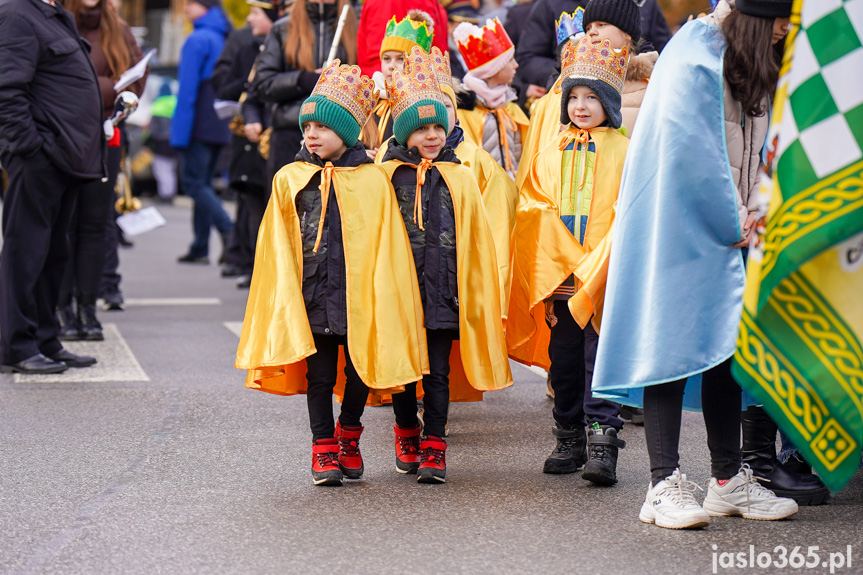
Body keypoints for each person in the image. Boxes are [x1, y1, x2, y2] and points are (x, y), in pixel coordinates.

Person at [591, 0, 799, 529]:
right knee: (671, 343)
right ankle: (662, 485)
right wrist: (740, 220)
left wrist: (758, 209)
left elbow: (759, 148)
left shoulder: (739, 55)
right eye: (777, 26)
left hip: (729, 226)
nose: (782, 35)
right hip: (678, 225)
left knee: (721, 345)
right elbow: (693, 158)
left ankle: (727, 481)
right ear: (754, 18)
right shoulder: (694, 58)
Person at [235, 61, 428, 486]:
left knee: (359, 372)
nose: (311, 135)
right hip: (313, 296)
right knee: (320, 376)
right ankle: (323, 447)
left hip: (361, 299)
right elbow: (276, 245)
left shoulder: (373, 180)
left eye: (322, 127)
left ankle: (349, 435)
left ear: (346, 132)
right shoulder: (291, 179)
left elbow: (387, 245)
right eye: (307, 128)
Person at [380, 47, 513, 483]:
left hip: (442, 289)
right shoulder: (386, 175)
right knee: (404, 373)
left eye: (439, 125)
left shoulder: (460, 175)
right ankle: (406, 430)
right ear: (405, 133)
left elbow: (477, 238)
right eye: (422, 129)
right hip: (401, 292)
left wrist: (470, 290)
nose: (433, 135)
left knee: (437, 373)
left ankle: (435, 443)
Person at [507, 35, 630, 485]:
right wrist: (563, 256)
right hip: (560, 279)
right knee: (564, 359)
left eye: (592, 97)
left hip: (604, 278)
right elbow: (531, 204)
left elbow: (629, 210)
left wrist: (599, 261)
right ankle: (568, 434)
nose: (580, 105)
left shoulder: (624, 151)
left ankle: (603, 439)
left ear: (610, 103)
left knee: (601, 358)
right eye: (573, 96)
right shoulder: (549, 151)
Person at [0, 0, 102, 374]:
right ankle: (16, 346)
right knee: (25, 253)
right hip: (39, 157)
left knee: (52, 254)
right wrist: (30, 147)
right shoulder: (16, 14)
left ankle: (45, 339)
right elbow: (7, 89)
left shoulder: (53, 14)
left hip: (65, 159)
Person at [56, 0, 147, 340]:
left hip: (107, 135)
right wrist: (105, 87)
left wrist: (98, 90)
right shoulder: (59, 21)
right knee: (65, 225)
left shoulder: (118, 28)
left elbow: (135, 81)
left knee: (96, 226)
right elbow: (56, 82)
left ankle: (86, 309)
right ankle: (62, 308)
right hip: (65, 136)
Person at [253, 0, 358, 189]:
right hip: (290, 132)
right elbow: (262, 83)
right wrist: (302, 80)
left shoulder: (356, 25)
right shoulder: (282, 28)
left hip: (340, 138)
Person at [211, 0, 278, 283]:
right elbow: (222, 82)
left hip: (273, 135)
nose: (249, 18)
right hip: (249, 136)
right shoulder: (242, 41)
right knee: (250, 202)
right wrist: (247, 87)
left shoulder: (281, 41)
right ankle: (250, 263)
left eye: (256, 13)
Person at [172, 0, 233, 265]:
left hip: (199, 121)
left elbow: (186, 92)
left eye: (190, 3)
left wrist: (179, 135)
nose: (185, 8)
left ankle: (228, 230)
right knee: (204, 184)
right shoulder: (225, 36)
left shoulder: (198, 39)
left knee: (193, 183)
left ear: (204, 6)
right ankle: (200, 246)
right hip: (220, 122)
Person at [514, 0, 669, 91]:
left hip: (633, 87)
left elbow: (665, 51)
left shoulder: (645, 4)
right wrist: (570, 72)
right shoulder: (550, 4)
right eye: (589, 28)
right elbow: (528, 57)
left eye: (602, 25)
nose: (593, 32)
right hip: (570, 94)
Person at [453, 18, 528, 179]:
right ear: (493, 70)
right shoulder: (464, 112)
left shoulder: (509, 105)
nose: (516, 65)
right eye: (510, 61)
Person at [366, 10, 435, 152]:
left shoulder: (422, 102)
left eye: (400, 59)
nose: (391, 66)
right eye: (386, 59)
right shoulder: (368, 99)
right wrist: (362, 155)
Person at [356, 0, 448, 77]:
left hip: (426, 86)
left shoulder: (436, 4)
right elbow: (381, 60)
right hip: (399, 89)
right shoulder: (386, 2)